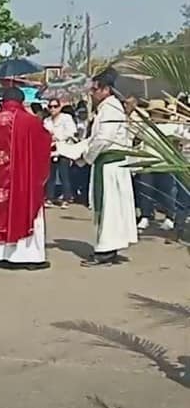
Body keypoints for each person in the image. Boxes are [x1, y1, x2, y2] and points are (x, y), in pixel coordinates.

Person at [0, 87, 51, 270]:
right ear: (22, 101)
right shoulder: (30, 122)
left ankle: (0, 254)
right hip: (21, 182)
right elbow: (45, 143)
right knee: (23, 210)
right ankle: (27, 257)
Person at [82, 70, 137, 266]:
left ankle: (106, 250)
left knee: (109, 209)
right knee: (110, 209)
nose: (92, 93)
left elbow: (103, 139)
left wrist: (88, 156)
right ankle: (107, 247)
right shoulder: (106, 107)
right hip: (108, 165)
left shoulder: (111, 108)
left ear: (105, 89)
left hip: (110, 166)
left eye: (95, 89)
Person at [44, 99, 77, 208]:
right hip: (50, 149)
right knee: (50, 175)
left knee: (64, 175)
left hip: (63, 149)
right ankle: (49, 197)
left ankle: (66, 198)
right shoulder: (47, 120)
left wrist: (57, 136)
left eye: (55, 106)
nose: (53, 109)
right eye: (50, 106)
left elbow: (72, 132)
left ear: (59, 107)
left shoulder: (66, 118)